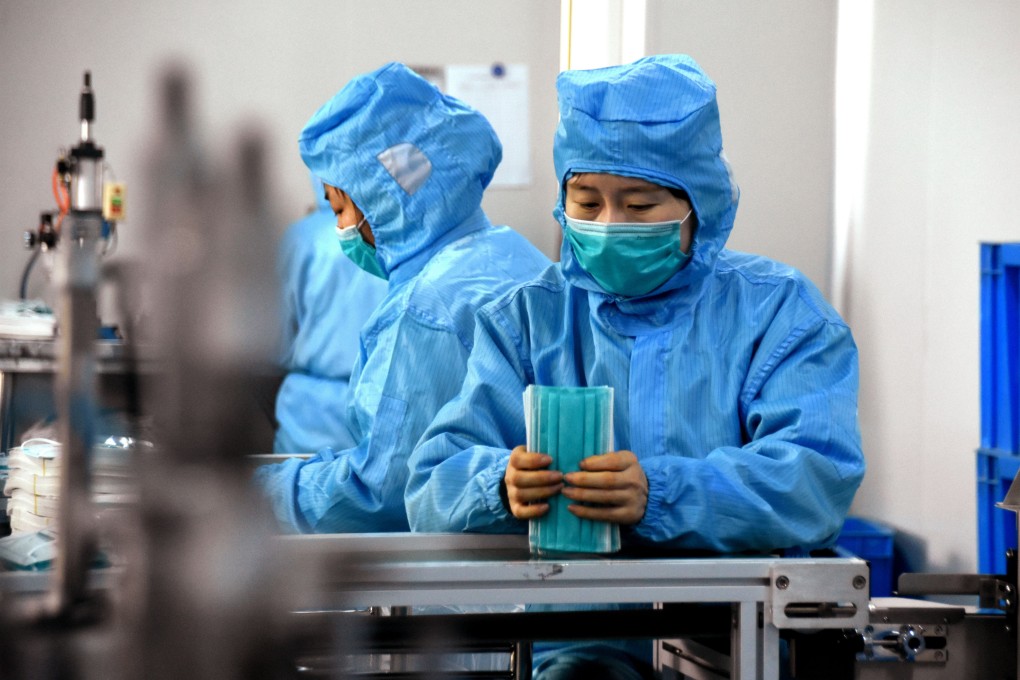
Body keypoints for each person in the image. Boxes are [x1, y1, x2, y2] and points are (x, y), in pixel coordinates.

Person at [406, 54, 865, 679]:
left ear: (697, 205)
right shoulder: (526, 320)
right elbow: (433, 479)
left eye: (640, 206)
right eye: (586, 201)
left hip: (740, 645)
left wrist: (663, 493)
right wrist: (498, 484)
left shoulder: (779, 314)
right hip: (572, 645)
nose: (608, 225)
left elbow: (815, 474)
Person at [253, 62, 549, 533]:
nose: (341, 228)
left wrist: (264, 492)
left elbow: (380, 491)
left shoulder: (429, 308)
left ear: (382, 199)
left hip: (465, 585)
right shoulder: (518, 255)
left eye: (340, 207)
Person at [273, 174, 387, 454]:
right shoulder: (398, 234)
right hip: (386, 417)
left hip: (311, 424)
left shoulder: (302, 238)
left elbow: (273, 340)